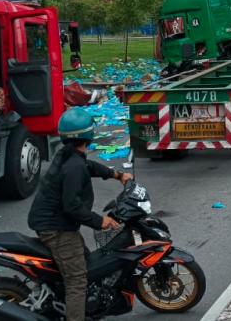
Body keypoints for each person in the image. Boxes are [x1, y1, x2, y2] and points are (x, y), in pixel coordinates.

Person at [28, 108, 133, 321]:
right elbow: (72, 207)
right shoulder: (74, 166)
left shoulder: (69, 155)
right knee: (77, 280)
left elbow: (89, 166)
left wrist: (116, 175)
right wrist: (100, 221)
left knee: (85, 260)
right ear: (89, 135)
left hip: (53, 222)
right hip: (56, 229)